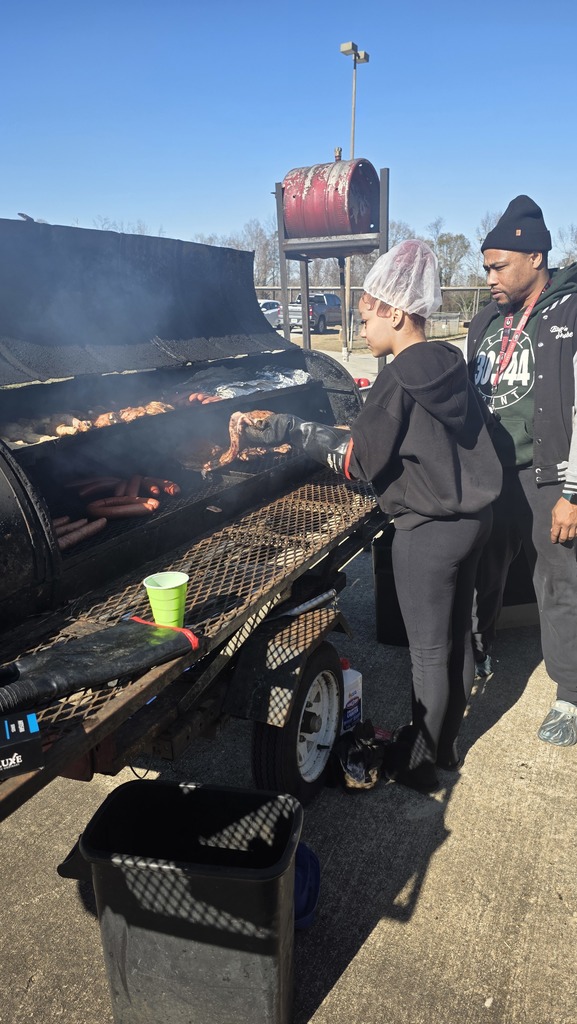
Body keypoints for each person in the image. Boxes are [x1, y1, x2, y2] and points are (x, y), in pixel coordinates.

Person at [241, 239, 502, 792]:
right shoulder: (449, 363)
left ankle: (425, 765)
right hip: (474, 522)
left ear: (396, 312)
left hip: (428, 534)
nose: (361, 329)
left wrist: (289, 431)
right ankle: (446, 746)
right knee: (456, 639)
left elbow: (357, 463)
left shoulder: (399, 377)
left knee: (429, 653)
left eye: (366, 316)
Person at [468, 195, 577, 746]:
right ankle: (481, 652)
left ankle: (571, 694)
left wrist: (574, 492)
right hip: (491, 473)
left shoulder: (570, 309)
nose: (488, 277)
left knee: (557, 578)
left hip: (550, 475)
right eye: (485, 266)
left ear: (535, 257)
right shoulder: (486, 317)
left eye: (497, 265)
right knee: (485, 566)